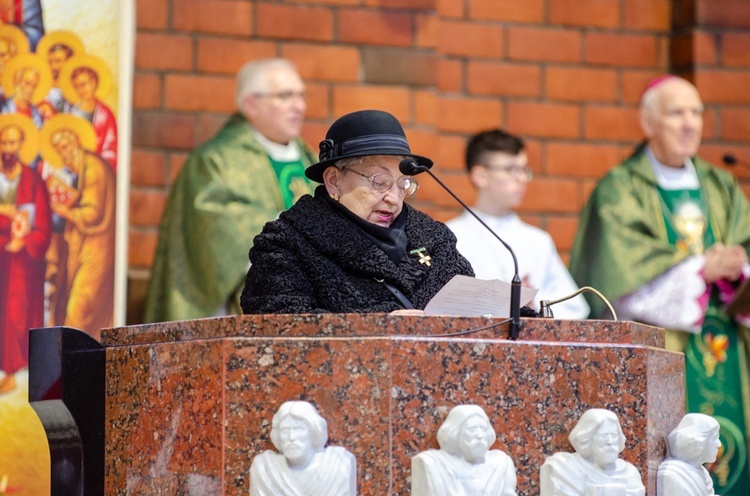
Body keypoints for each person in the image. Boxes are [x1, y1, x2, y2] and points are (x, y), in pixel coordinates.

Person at [568, 75, 750, 493]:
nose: (690, 123)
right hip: (660, 349)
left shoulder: (721, 185)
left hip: (728, 349)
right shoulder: (620, 189)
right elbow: (615, 284)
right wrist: (701, 272)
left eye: (697, 112)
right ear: (647, 122)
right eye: (676, 113)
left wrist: (737, 268)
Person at [240, 109, 474, 314]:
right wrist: (382, 327)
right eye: (379, 181)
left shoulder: (434, 239)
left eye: (402, 184)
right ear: (333, 180)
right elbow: (277, 324)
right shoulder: (287, 244)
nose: (393, 199)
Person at [144, 58, 316, 322]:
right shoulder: (215, 162)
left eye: (301, 96)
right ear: (250, 104)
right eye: (285, 96)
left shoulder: (311, 161)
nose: (300, 107)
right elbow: (210, 232)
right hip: (244, 308)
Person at [447, 129, 589, 319]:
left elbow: (576, 308)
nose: (522, 178)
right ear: (480, 176)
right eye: (510, 170)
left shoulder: (538, 241)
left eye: (524, 170)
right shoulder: (450, 236)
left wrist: (532, 303)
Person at [41, 115, 115, 340]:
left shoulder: (93, 169)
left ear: (76, 143)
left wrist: (65, 211)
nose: (63, 156)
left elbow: (93, 213)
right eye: (59, 151)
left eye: (65, 148)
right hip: (83, 247)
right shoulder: (84, 168)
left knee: (79, 306)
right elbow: (85, 200)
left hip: (96, 250)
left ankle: (79, 368)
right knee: (65, 304)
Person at [0, 115, 50, 392]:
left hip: (20, 261)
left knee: (14, 313)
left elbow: (42, 227)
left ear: (20, 145)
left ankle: (11, 373)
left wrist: (25, 241)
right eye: (3, 142)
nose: (7, 148)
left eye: (12, 142)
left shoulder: (33, 181)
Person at [249, 400, 356, 496]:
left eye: (299, 429)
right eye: (285, 430)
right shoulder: (264, 470)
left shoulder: (338, 466)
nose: (291, 437)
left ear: (313, 432)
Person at [411, 404, 517, 496]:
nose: (480, 435)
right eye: (472, 429)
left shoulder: (501, 464)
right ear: (455, 433)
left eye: (483, 429)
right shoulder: (432, 464)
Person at [540, 409, 645, 495]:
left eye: (613, 436)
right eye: (603, 436)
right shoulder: (564, 468)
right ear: (587, 439)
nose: (610, 442)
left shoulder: (630, 474)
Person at [61, 54, 116, 169]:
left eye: (83, 85)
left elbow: (111, 147)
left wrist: (94, 163)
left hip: (97, 166)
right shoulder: (73, 112)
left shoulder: (104, 114)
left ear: (93, 83)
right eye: (76, 87)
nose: (81, 90)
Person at [657, 413, 721, 496]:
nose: (719, 444)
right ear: (699, 441)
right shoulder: (673, 475)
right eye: (715, 438)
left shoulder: (703, 473)